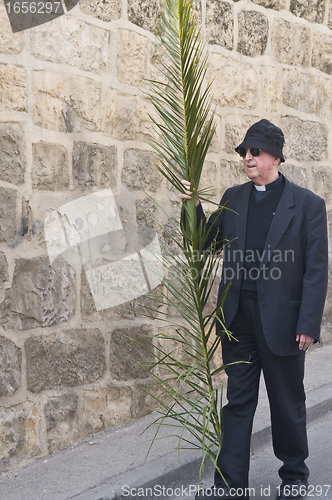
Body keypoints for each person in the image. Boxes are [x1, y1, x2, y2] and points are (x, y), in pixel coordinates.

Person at [179, 119, 329, 500]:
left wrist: (309, 323)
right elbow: (205, 243)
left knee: (287, 404)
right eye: (244, 152)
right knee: (238, 404)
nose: (247, 158)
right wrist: (191, 207)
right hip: (238, 322)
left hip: (284, 323)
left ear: (275, 157)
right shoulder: (234, 197)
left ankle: (294, 478)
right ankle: (229, 486)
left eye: (254, 152)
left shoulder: (308, 205)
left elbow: (316, 269)